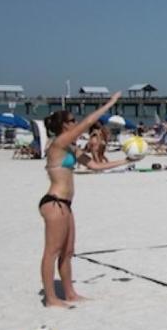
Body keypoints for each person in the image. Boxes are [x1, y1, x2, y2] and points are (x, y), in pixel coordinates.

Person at [39, 93, 140, 308]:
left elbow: (94, 166)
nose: (75, 123)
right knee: (52, 251)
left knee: (67, 252)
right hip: (54, 202)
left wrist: (125, 161)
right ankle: (50, 298)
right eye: (71, 121)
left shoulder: (71, 149)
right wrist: (110, 104)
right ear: (64, 126)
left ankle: (70, 293)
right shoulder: (58, 143)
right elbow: (87, 123)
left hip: (66, 205)